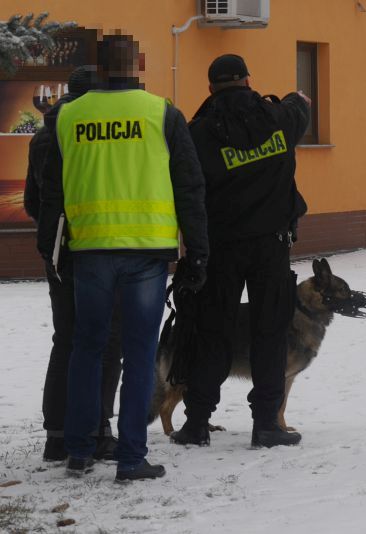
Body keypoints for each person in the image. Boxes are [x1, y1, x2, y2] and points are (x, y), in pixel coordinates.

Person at [38, 33, 209, 480]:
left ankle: (78, 451)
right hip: (146, 255)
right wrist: (198, 252)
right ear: (139, 64)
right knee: (137, 355)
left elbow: (51, 194)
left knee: (86, 349)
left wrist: (51, 252)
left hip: (89, 251)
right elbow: (191, 188)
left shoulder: (67, 117)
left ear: (98, 65)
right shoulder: (162, 114)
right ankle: (131, 458)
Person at [170, 54, 310, 449]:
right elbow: (300, 105)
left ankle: (196, 422)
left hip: (220, 247)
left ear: (211, 87)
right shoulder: (281, 119)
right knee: (270, 333)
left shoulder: (198, 134)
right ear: (249, 80)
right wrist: (295, 97)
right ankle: (267, 423)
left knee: (211, 332)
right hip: (272, 245)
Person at [24, 66, 123, 463]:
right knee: (106, 339)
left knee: (66, 338)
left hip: (56, 249)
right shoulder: (94, 135)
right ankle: (98, 429)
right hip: (96, 246)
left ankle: (58, 434)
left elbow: (34, 201)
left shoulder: (43, 135)